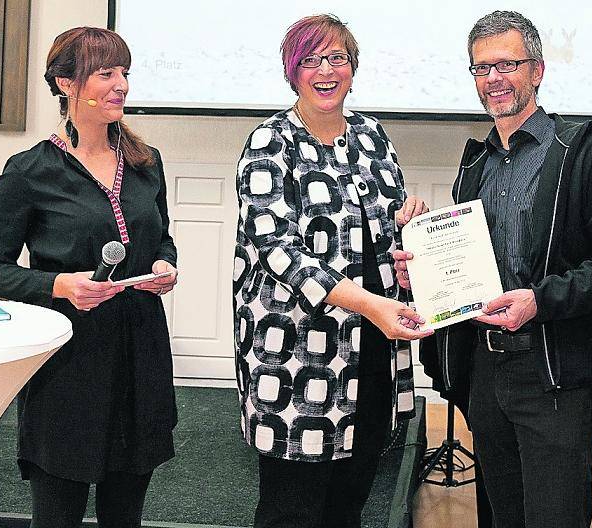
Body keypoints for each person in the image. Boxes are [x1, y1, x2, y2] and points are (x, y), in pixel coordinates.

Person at [395, 11, 592, 527]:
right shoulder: (476, 164)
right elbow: (467, 271)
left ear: (538, 71)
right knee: (499, 519)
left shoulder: (584, 152)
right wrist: (422, 276)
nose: (494, 79)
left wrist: (539, 301)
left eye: (507, 64)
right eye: (482, 69)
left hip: (556, 377)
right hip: (487, 374)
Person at [233, 14, 433, 528]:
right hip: (297, 362)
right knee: (291, 511)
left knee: (351, 501)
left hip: (372, 355)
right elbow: (280, 252)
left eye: (337, 58)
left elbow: (384, 237)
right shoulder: (269, 143)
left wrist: (411, 234)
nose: (326, 70)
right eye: (311, 60)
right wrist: (371, 304)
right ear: (291, 71)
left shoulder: (372, 136)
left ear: (353, 67)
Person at [0, 27, 179, 527]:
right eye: (106, 73)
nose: (122, 85)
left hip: (141, 353)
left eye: (125, 73)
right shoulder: (28, 171)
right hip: (69, 363)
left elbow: (162, 238)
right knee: (58, 515)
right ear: (67, 83)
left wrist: (162, 266)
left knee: (125, 513)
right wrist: (58, 285)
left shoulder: (146, 163)